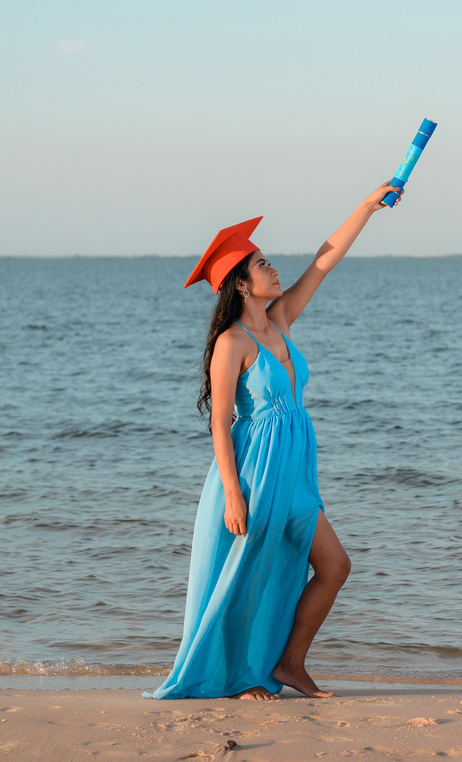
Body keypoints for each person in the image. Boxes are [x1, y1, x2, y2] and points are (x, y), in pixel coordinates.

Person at [144, 181, 402, 701]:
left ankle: (290, 663)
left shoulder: (279, 322)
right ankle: (241, 678)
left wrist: (366, 208)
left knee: (335, 566)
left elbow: (323, 262)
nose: (274, 268)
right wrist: (233, 493)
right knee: (249, 576)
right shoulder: (231, 343)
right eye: (262, 264)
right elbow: (220, 422)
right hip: (254, 470)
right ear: (241, 284)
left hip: (294, 468)